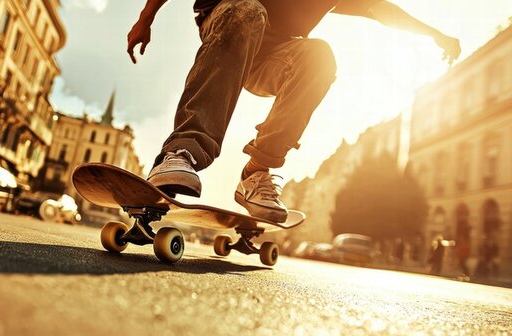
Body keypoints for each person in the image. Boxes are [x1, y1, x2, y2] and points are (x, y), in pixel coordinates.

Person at [128, 0, 461, 221]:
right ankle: (181, 151)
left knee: (319, 56)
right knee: (249, 11)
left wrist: (434, 34)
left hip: (273, 57)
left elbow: (381, 9)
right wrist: (146, 17)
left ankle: (258, 172)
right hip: (229, 21)